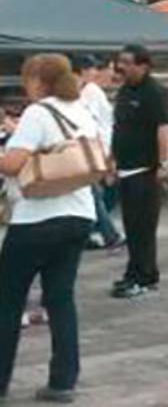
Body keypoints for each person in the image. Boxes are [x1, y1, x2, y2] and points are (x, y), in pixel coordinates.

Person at [0, 55, 100, 402]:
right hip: (79, 213)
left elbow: (12, 164)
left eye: (26, 80)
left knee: (8, 300)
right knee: (61, 299)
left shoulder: (38, 112)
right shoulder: (82, 109)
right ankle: (63, 380)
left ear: (39, 81)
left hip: (37, 218)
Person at [111, 44, 168, 299]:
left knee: (143, 227)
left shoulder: (155, 92)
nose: (121, 67)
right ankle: (132, 272)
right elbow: (118, 127)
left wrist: (164, 163)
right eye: (120, 62)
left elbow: (163, 129)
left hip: (145, 169)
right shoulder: (125, 91)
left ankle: (145, 277)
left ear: (143, 65)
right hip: (125, 168)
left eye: (127, 62)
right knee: (131, 226)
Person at [74, 55, 123, 252]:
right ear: (84, 71)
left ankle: (91, 233)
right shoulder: (91, 91)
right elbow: (90, 123)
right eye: (93, 69)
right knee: (97, 193)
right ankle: (109, 235)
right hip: (97, 149)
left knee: (96, 193)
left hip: (98, 148)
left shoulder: (89, 90)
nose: (96, 72)